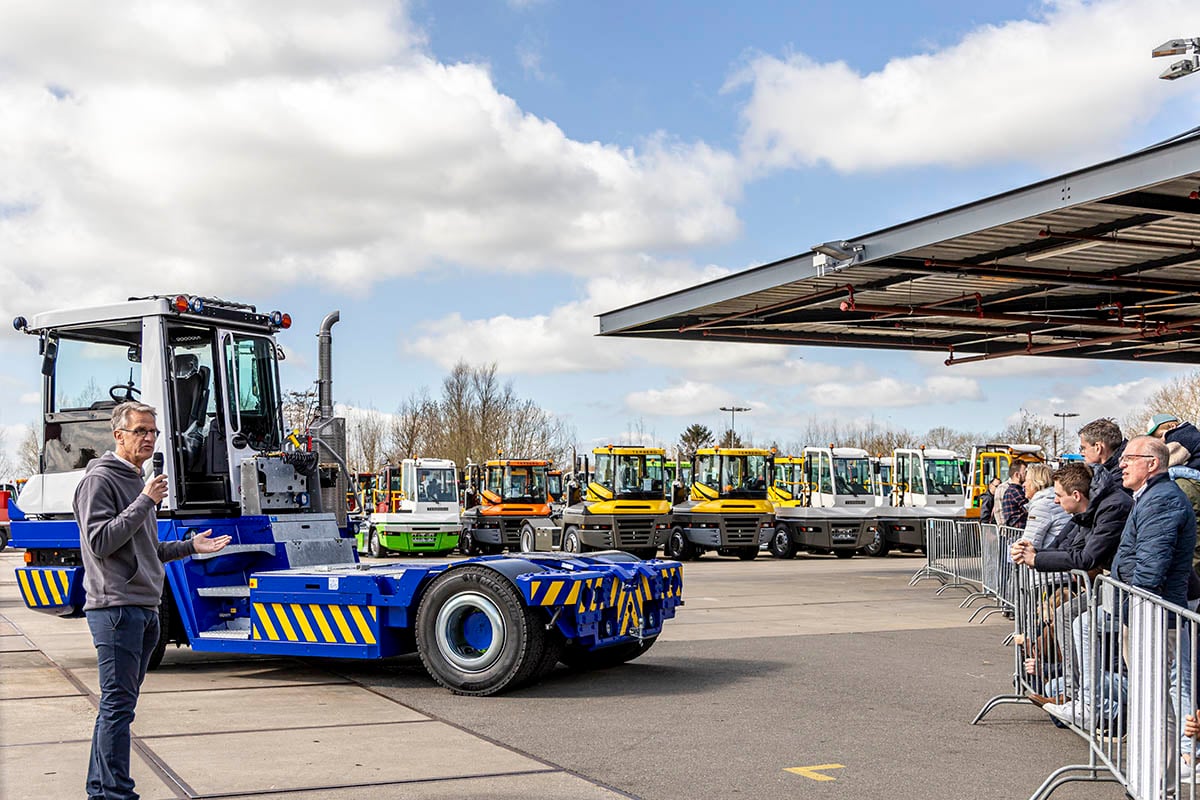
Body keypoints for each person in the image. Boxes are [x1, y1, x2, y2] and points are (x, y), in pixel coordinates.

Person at [76, 401, 230, 800]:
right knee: (117, 708)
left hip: (144, 608)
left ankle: (101, 790)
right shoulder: (101, 481)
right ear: (119, 435)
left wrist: (190, 546)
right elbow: (100, 542)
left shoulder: (138, 481)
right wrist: (145, 500)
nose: (148, 438)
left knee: (119, 708)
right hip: (116, 610)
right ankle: (116, 794)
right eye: (140, 431)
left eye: (153, 432)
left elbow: (145, 548)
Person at [1047, 436, 1195, 768]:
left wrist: (1134, 602)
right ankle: (1167, 764)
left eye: (1130, 458)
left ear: (1153, 463)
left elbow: (1150, 568)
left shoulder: (1162, 500)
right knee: (1163, 684)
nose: (1122, 464)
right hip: (1145, 610)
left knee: (1174, 680)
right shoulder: (1148, 496)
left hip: (1157, 612)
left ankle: (1189, 753)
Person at [1011, 462, 1131, 707]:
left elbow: (1087, 558)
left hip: (1126, 591)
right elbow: (1066, 546)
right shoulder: (1089, 509)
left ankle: (1083, 700)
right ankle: (1073, 693)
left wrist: (1036, 559)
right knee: (1066, 614)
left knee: (1072, 617)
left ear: (1076, 495)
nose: (1055, 501)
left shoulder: (1112, 507)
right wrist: (1035, 551)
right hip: (1112, 588)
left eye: (1058, 496)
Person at [1019, 463, 1069, 549]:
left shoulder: (1042, 505)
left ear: (1036, 482)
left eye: (1027, 481)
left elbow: (1030, 543)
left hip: (1048, 557)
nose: (1023, 484)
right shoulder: (1054, 499)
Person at [1078, 417, 1128, 489]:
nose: (1081, 453)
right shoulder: (1116, 472)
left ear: (1098, 447)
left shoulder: (1116, 480)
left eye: (1083, 448)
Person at [998, 460, 1030, 529]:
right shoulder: (1016, 491)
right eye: (1025, 472)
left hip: (1014, 531)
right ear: (1017, 475)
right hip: (1019, 531)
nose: (1027, 475)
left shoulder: (1009, 490)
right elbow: (1030, 509)